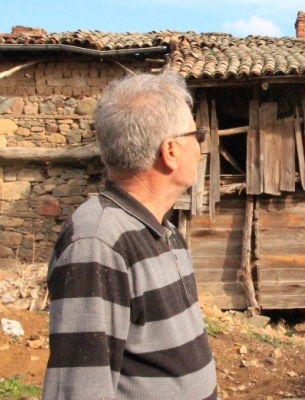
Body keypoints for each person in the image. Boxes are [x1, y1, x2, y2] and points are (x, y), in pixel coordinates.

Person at [43, 71, 218, 400]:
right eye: (198, 134)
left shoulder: (164, 233)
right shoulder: (98, 244)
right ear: (170, 151)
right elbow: (80, 390)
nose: (201, 146)